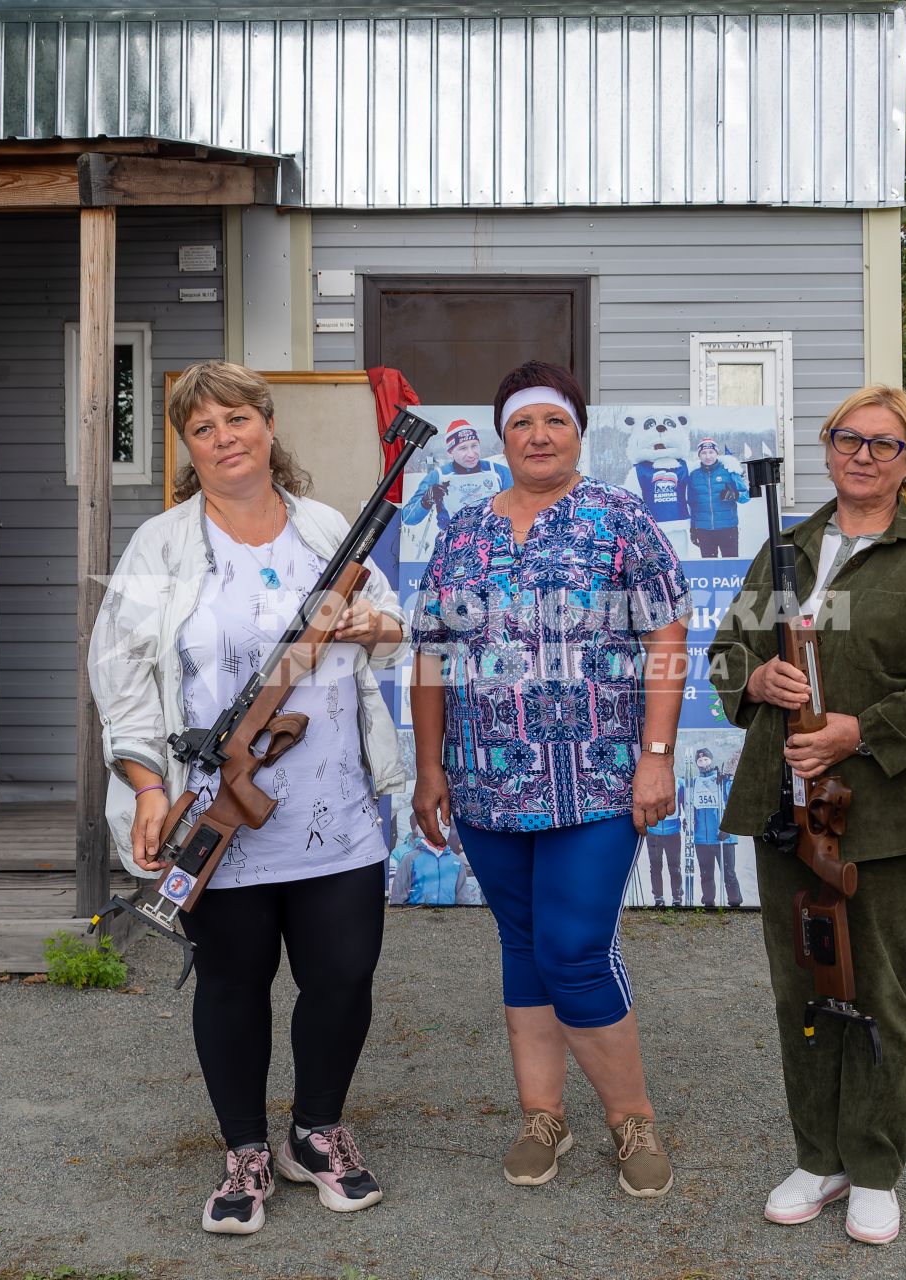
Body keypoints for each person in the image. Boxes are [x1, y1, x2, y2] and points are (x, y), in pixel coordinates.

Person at [90, 361, 408, 1236]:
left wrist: (365, 624)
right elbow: (120, 676)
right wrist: (148, 785)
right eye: (203, 428)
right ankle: (243, 1151)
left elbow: (389, 629)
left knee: (342, 977)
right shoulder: (161, 544)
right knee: (233, 981)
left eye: (236, 419)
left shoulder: (326, 529)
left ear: (267, 426)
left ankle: (317, 1132)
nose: (224, 438)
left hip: (335, 804)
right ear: (188, 447)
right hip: (213, 808)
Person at [708, 384, 906, 1247]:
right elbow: (731, 649)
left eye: (885, 444)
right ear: (828, 448)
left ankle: (873, 1167)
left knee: (877, 990)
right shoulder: (787, 548)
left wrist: (859, 731)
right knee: (803, 985)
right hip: (786, 806)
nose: (863, 456)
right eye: (848, 439)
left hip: (890, 812)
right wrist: (755, 680)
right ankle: (818, 1155)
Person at [410, 359, 691, 1199]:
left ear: (578, 433)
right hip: (486, 781)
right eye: (523, 424)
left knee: (574, 950)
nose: (538, 437)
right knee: (524, 947)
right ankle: (543, 1115)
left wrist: (657, 753)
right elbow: (430, 653)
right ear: (503, 438)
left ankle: (630, 1119)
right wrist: (430, 768)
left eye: (555, 423)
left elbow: (666, 638)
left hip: (598, 782)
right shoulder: (461, 530)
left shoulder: (620, 520)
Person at [404, 421, 512, 532]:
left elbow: (522, 506)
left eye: (474, 445)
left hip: (492, 540)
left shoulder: (499, 472)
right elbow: (407, 518)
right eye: (463, 448)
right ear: (450, 452)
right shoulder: (438, 476)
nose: (471, 453)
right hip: (453, 542)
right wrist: (425, 501)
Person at [689, 747, 741, 908]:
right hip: (701, 838)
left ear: (711, 760)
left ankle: (735, 902)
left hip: (722, 837)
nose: (703, 763)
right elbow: (690, 807)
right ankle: (708, 902)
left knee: (729, 873)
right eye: (700, 760)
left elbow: (734, 805)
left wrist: (728, 827)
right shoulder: (694, 782)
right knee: (706, 873)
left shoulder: (722, 780)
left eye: (706, 759)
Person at [685, 438, 750, 557]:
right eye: (703, 453)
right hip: (704, 530)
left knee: (731, 567)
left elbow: (746, 496)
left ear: (717, 453)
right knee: (709, 567)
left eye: (711, 452)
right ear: (699, 455)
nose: (708, 456)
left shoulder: (729, 471)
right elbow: (692, 504)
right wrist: (693, 528)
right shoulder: (694, 475)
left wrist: (735, 495)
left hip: (728, 528)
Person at [642, 779, 687, 907]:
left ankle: (677, 897)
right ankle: (658, 897)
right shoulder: (649, 782)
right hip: (653, 832)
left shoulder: (679, 782)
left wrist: (687, 820)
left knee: (674, 867)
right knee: (655, 867)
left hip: (672, 832)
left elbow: (686, 803)